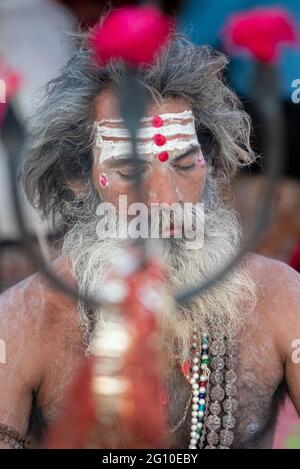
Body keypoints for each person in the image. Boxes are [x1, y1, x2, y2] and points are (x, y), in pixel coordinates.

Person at [0, 31, 299, 449]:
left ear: (210, 163)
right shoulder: (24, 320)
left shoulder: (281, 297)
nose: (166, 202)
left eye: (184, 163)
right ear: (78, 179)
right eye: (130, 171)